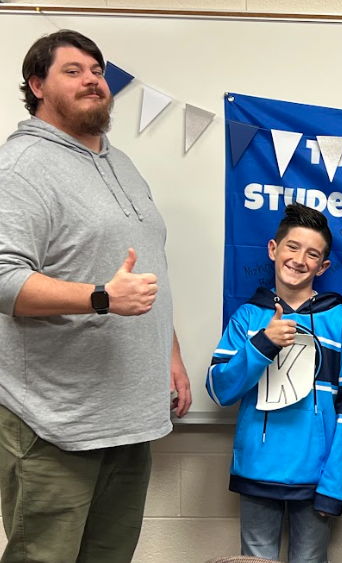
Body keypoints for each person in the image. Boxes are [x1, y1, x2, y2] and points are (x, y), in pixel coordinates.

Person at [0, 30, 191, 563]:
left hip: (129, 417)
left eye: (97, 70)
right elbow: (3, 279)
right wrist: (101, 298)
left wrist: (169, 355)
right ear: (37, 84)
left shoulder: (120, 163)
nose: (92, 79)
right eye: (73, 70)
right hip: (55, 421)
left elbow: (147, 270)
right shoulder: (20, 168)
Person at [207, 203, 342, 563]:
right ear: (273, 250)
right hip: (258, 469)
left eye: (313, 254)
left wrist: (334, 486)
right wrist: (262, 343)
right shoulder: (248, 316)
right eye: (292, 247)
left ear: (323, 267)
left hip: (316, 478)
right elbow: (219, 390)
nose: (299, 259)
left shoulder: (339, 321)